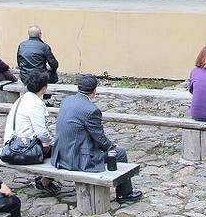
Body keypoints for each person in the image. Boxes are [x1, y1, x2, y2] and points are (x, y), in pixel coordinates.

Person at [51, 74, 142, 203]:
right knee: (119, 153)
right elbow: (100, 139)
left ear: (78, 88)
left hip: (60, 155)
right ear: (94, 91)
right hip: (76, 159)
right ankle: (124, 194)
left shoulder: (67, 101)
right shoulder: (91, 110)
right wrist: (112, 146)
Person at [3, 70, 61, 195]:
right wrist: (52, 141)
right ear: (44, 88)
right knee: (61, 150)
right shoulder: (35, 103)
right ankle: (45, 181)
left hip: (10, 144)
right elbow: (41, 133)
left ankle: (45, 179)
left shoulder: (21, 99)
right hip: (23, 149)